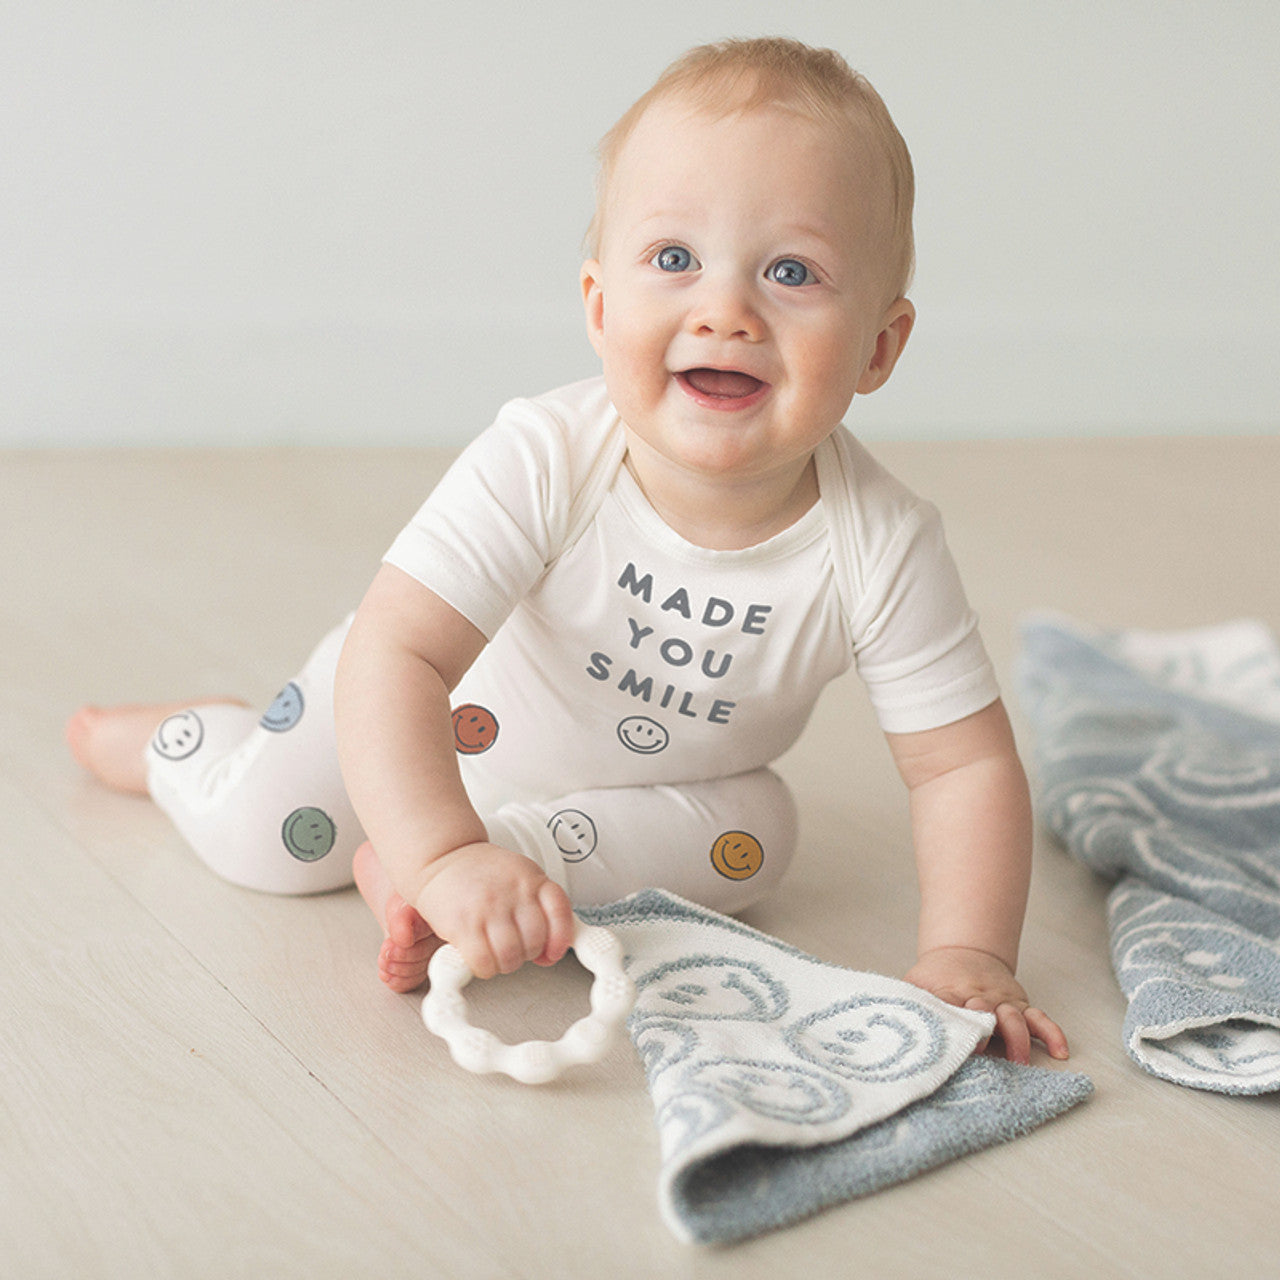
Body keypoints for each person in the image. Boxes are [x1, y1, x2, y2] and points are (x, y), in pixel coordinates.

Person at [67, 37, 1068, 1065]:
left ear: (877, 348)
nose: (724, 310)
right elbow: (396, 652)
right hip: (418, 719)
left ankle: (488, 867)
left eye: (791, 272)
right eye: (673, 259)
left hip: (616, 803)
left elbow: (959, 765)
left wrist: (965, 949)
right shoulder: (548, 456)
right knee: (269, 838)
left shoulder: (881, 543)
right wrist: (442, 843)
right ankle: (188, 747)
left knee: (758, 837)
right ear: (599, 307)